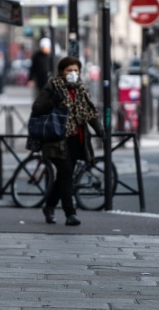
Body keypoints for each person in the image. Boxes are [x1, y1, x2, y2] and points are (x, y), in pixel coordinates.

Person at [30, 56, 104, 226]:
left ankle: (48, 207)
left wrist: (99, 129)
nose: (73, 73)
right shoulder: (53, 86)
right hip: (56, 139)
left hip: (76, 139)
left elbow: (90, 113)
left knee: (65, 175)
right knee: (66, 173)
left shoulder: (81, 88)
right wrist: (52, 101)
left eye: (76, 70)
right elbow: (37, 108)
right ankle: (70, 213)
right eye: (69, 70)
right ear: (61, 72)